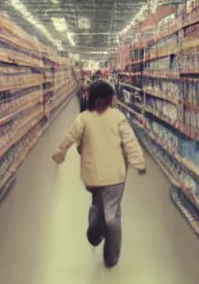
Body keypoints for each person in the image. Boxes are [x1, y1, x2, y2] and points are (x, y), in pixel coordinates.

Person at [52, 79, 146, 268]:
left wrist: (59, 154)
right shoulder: (117, 117)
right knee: (112, 215)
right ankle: (111, 256)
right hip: (115, 176)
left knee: (97, 205)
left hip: (93, 174)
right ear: (111, 99)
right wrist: (138, 162)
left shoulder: (84, 118)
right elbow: (130, 142)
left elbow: (69, 138)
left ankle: (94, 234)